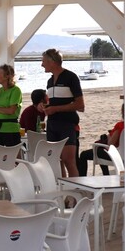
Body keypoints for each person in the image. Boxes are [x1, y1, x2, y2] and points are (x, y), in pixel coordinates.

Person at [40, 48, 85, 176]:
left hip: (67, 124)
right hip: (52, 125)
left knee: (68, 161)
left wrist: (55, 109)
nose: (41, 64)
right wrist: (46, 107)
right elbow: (55, 102)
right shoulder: (49, 81)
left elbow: (80, 105)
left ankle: (74, 188)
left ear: (52, 62)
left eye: (43, 61)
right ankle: (63, 188)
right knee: (55, 161)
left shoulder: (71, 77)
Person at [78, 102, 124, 175]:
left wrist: (109, 136)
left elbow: (110, 144)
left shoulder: (120, 126)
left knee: (84, 154)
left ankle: (82, 178)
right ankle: (105, 174)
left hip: (117, 155)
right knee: (100, 150)